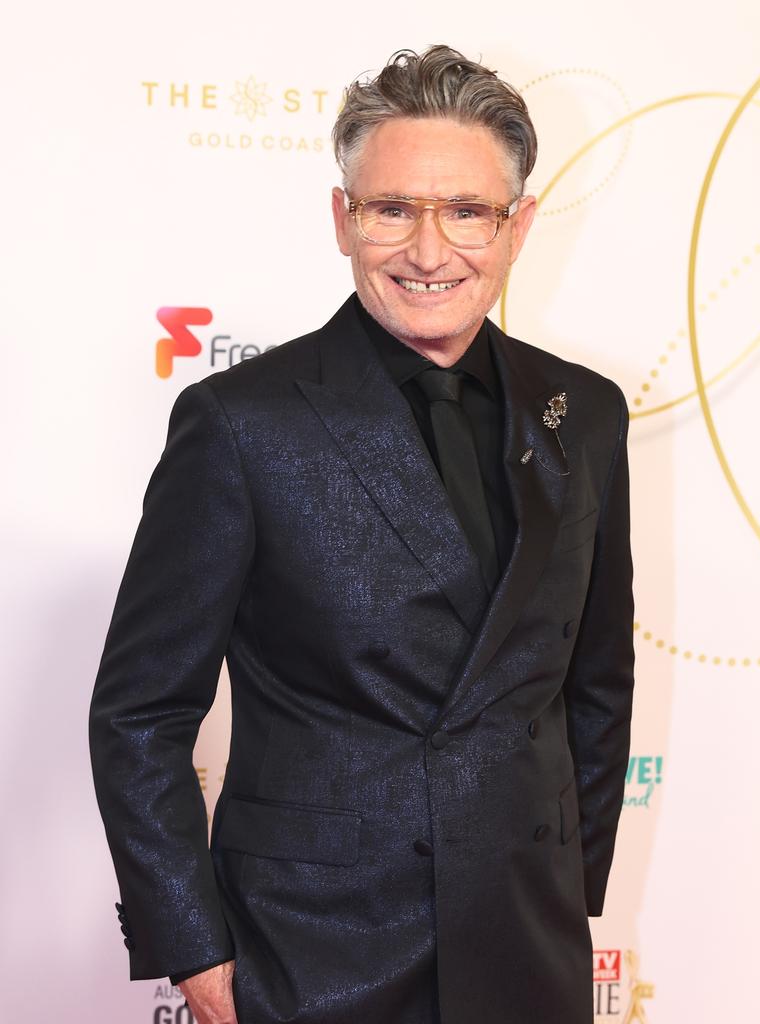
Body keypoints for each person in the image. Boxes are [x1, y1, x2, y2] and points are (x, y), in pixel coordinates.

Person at [89, 44, 634, 1024]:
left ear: (519, 227)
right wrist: (194, 946)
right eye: (393, 210)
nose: (431, 252)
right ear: (344, 218)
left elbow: (595, 685)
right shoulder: (243, 422)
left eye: (467, 211)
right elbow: (140, 713)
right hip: (309, 951)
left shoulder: (582, 411)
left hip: (527, 946)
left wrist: (562, 880)